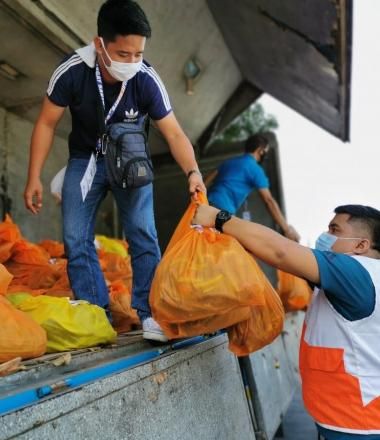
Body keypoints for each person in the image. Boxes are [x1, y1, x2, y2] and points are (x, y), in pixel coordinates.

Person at [23, 0, 205, 342]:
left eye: (138, 54)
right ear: (99, 44)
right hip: (85, 160)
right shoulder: (73, 70)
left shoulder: (146, 78)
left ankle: (151, 314)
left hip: (132, 163)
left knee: (143, 235)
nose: (133, 62)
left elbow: (175, 132)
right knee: (76, 238)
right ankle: (96, 315)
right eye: (124, 54)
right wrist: (33, 176)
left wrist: (193, 171)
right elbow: (47, 123)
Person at [193, 203, 380, 440]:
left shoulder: (356, 272)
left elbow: (281, 252)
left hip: (358, 426)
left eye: (335, 230)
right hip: (351, 418)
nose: (326, 236)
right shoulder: (365, 277)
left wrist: (219, 219)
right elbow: (294, 259)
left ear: (361, 245)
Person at [205, 134, 300, 241]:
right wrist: (287, 230)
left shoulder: (230, 161)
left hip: (208, 202)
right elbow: (269, 201)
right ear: (260, 150)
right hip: (223, 211)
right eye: (265, 151)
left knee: (201, 238)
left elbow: (207, 179)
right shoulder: (255, 170)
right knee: (219, 246)